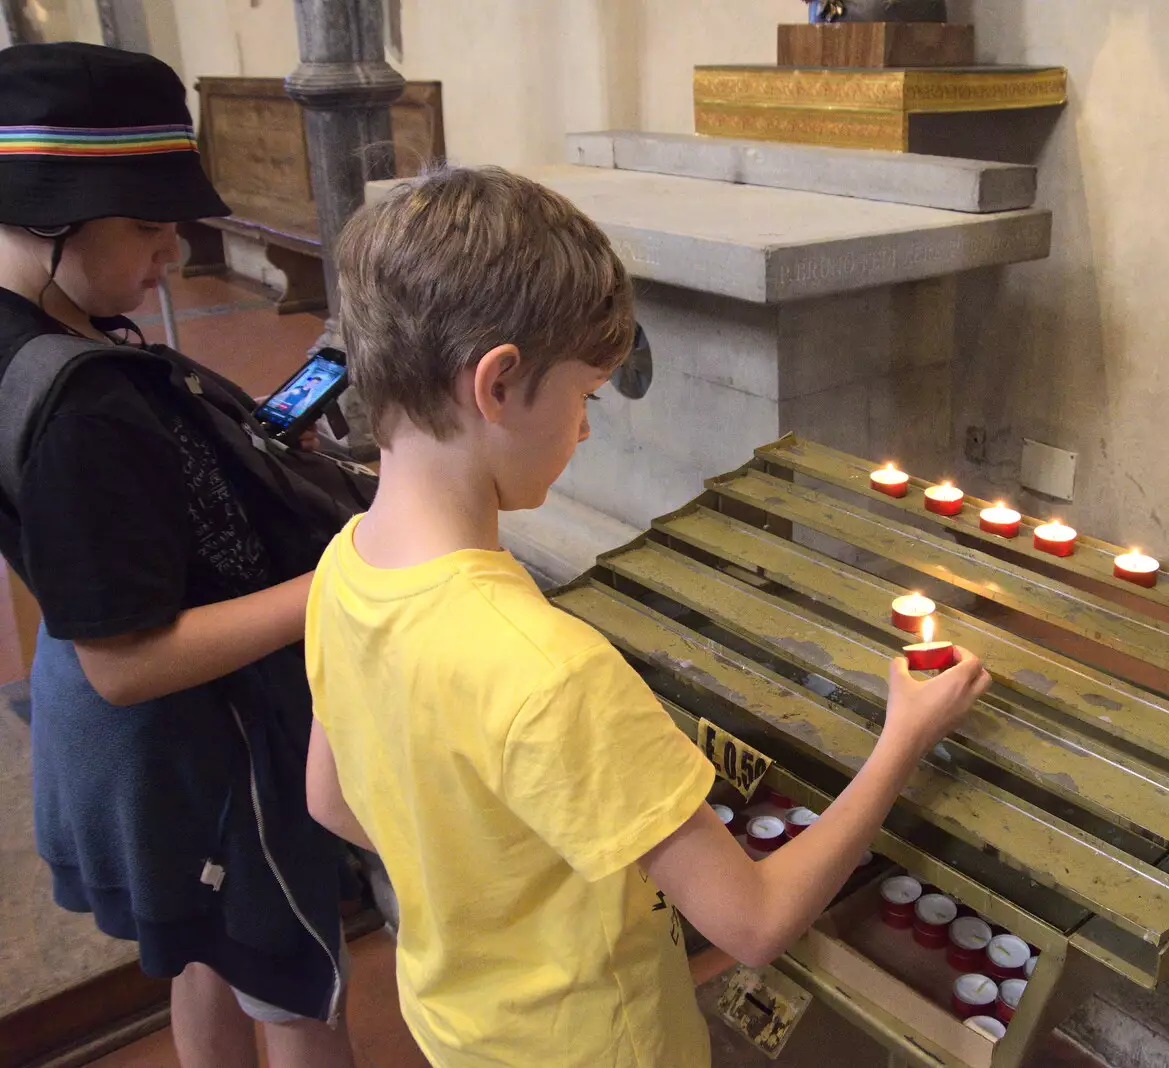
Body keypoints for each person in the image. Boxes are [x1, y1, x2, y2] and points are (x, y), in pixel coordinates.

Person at [304, 164, 993, 1068]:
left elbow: (332, 802)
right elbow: (754, 923)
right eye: (585, 398)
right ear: (498, 384)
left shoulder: (341, 568)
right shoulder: (550, 668)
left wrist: (488, 865)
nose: (585, 432)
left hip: (463, 1028)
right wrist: (902, 738)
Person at [0, 44, 357, 1067]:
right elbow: (131, 660)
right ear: (48, 218)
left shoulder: (42, 328)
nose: (170, 253)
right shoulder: (81, 403)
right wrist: (349, 571)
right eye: (149, 227)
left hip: (107, 734)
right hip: (190, 743)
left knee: (208, 949)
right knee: (296, 985)